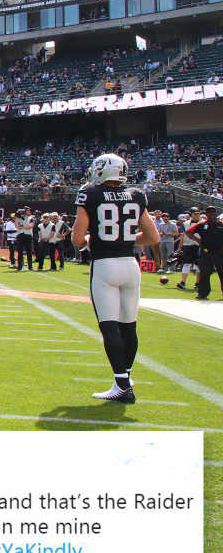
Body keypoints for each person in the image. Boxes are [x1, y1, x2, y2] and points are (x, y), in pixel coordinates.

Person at [71, 153, 159, 403]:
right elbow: (152, 237)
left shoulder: (90, 193)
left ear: (100, 171)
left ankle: (122, 385)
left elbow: (78, 239)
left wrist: (89, 240)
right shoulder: (137, 195)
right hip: (131, 265)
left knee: (109, 326)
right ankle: (125, 379)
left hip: (105, 265)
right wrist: (126, 241)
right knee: (129, 325)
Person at [185, 205, 223, 300]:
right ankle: (203, 293)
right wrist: (197, 240)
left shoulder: (221, 224)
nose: (211, 214)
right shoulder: (202, 224)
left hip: (220, 253)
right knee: (204, 273)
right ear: (206, 214)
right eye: (209, 212)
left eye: (213, 212)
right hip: (206, 253)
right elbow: (188, 232)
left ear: (216, 213)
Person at [178, 207, 202, 290]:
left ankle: (198, 283)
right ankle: (183, 282)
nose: (197, 215)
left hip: (199, 246)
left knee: (198, 265)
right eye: (195, 213)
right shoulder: (186, 223)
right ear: (190, 214)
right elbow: (183, 235)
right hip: (188, 245)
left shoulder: (202, 222)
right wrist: (180, 247)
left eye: (198, 213)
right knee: (187, 263)